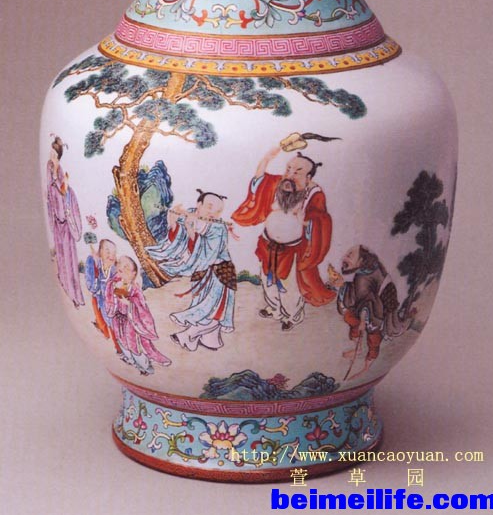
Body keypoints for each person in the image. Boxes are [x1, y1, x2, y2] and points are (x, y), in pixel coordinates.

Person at [232, 146, 335, 331]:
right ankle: (274, 309)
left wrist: (304, 221)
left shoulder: (313, 195)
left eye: (297, 172)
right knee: (268, 281)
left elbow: (321, 222)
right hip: (268, 245)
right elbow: (258, 183)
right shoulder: (278, 184)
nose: (290, 175)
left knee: (289, 286)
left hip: (291, 251)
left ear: (308, 178)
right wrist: (266, 159)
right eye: (288, 169)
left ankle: (292, 315)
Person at [146, 191, 236, 351]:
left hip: (220, 272)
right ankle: (206, 341)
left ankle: (187, 335)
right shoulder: (191, 215)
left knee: (214, 309)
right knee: (201, 304)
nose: (213, 213)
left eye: (218, 210)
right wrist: (173, 221)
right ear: (199, 204)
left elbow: (206, 243)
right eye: (210, 207)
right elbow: (181, 237)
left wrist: (189, 225)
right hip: (201, 272)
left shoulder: (219, 227)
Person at [335, 245, 410, 377]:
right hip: (368, 305)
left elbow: (369, 299)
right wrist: (342, 286)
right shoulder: (362, 273)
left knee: (373, 334)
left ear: (361, 260)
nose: (344, 257)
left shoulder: (369, 275)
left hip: (381, 305)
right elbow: (357, 294)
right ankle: (358, 348)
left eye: (350, 255)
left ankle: (368, 364)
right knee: (349, 316)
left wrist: (363, 319)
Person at [105, 256, 171, 374]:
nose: (123, 273)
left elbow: (141, 305)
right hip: (118, 319)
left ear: (134, 273)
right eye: (120, 270)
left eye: (127, 270)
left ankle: (144, 366)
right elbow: (110, 298)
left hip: (132, 321)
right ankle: (131, 360)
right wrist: (114, 292)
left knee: (134, 343)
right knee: (122, 341)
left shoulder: (134, 289)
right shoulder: (114, 284)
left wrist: (129, 303)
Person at [46, 136, 85, 308]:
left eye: (54, 155)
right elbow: (50, 194)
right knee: (61, 258)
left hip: (66, 224)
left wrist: (57, 178)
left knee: (69, 258)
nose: (52, 157)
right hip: (57, 223)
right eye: (51, 154)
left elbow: (65, 192)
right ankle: (66, 289)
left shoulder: (61, 172)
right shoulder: (49, 169)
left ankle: (75, 294)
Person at [84, 239, 121, 353]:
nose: (111, 255)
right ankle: (119, 350)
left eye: (114, 252)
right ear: (100, 252)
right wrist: (96, 274)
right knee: (110, 323)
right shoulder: (94, 263)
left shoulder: (115, 269)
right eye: (107, 251)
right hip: (102, 301)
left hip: (114, 303)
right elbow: (91, 287)